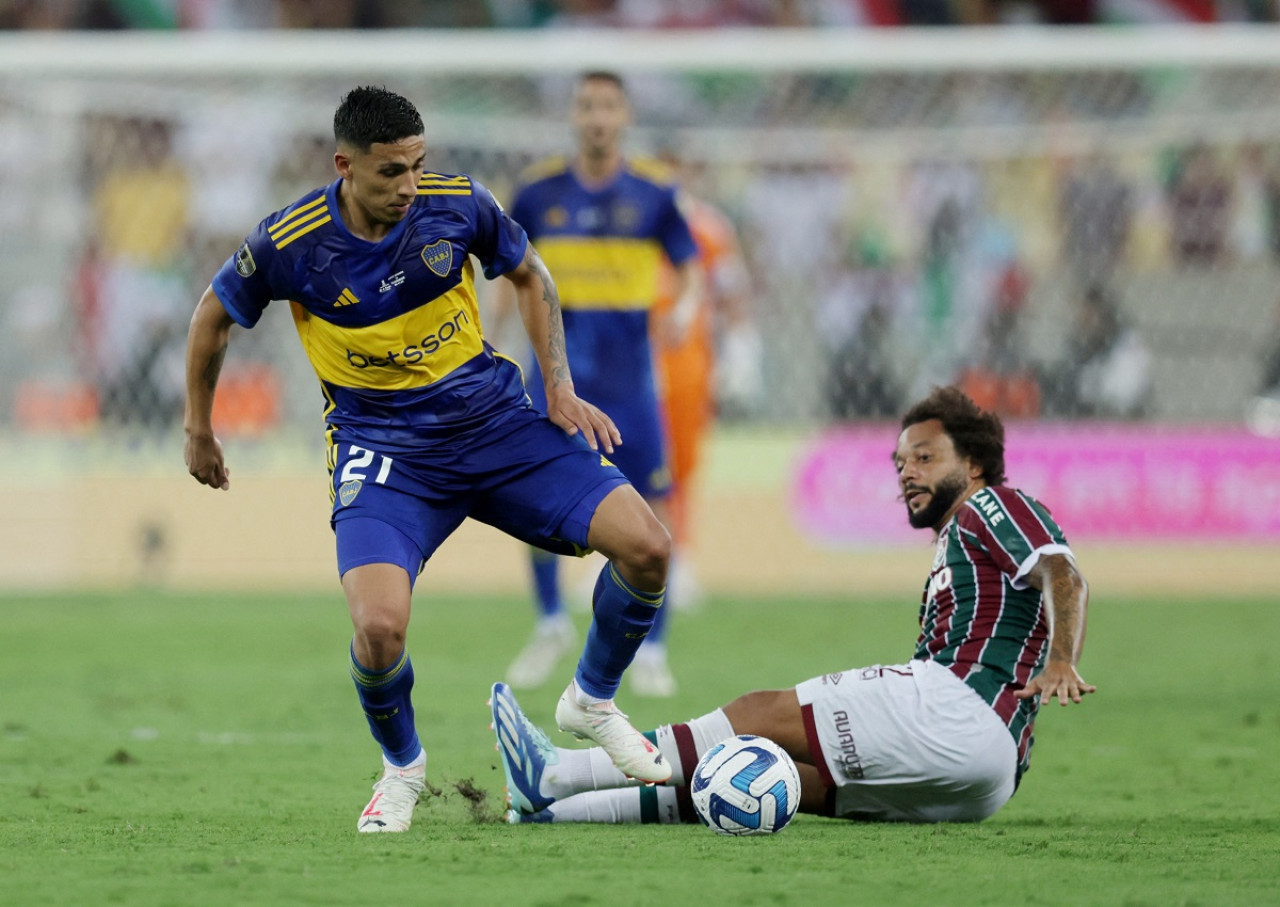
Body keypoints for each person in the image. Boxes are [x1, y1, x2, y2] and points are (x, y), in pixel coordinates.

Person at [183, 85, 676, 834]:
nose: (408, 186)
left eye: (417, 165)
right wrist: (198, 427)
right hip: (385, 453)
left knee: (648, 548)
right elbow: (214, 315)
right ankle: (402, 768)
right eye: (389, 172)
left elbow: (532, 276)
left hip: (494, 424)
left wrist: (558, 387)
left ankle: (592, 700)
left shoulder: (457, 205)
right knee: (378, 629)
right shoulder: (291, 242)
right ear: (344, 164)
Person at [491, 385, 1095, 825]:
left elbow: (1063, 572)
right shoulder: (956, 541)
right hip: (987, 783)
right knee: (764, 774)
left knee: (761, 712)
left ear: (976, 465)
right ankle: (558, 813)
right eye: (901, 462)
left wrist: (1063, 658)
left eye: (926, 458)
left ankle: (555, 775)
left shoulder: (993, 505)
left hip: (961, 710)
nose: (907, 473)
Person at [498, 71, 701, 697]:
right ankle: (551, 621)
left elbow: (688, 268)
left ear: (625, 116)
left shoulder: (655, 193)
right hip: (555, 376)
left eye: (608, 106)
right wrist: (493, 345)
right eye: (586, 104)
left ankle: (654, 648)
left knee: (654, 509)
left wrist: (684, 311)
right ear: (573, 114)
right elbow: (513, 276)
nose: (596, 117)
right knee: (533, 502)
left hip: (629, 382)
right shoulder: (535, 193)